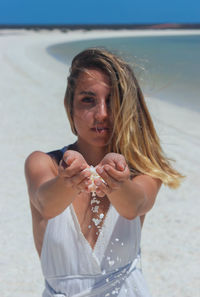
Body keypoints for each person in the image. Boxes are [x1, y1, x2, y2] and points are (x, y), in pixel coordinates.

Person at [25, 48, 183, 297]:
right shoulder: (43, 164)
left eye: (112, 100)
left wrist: (118, 182)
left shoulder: (145, 170)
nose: (102, 114)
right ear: (70, 106)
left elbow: (134, 205)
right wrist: (68, 180)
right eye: (88, 100)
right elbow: (46, 203)